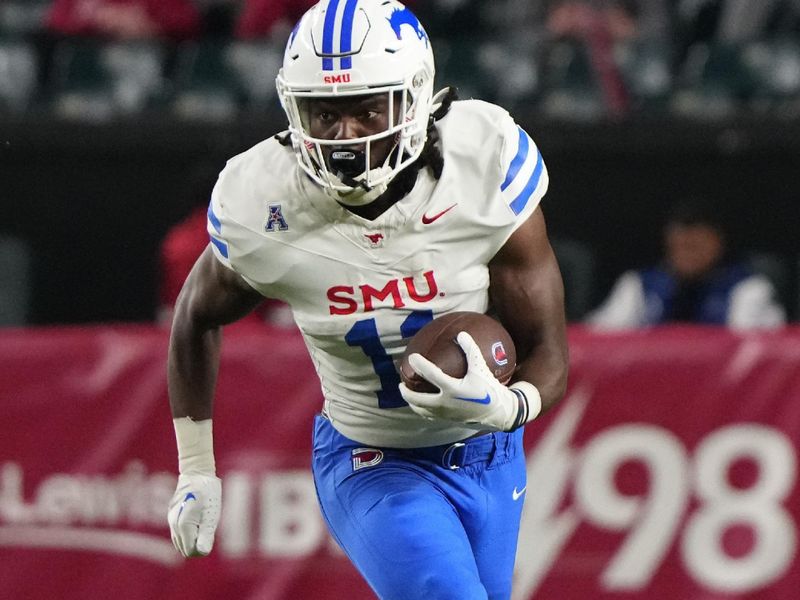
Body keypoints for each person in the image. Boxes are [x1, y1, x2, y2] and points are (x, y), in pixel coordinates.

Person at [166, 1, 569, 598]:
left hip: (490, 454)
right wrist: (195, 468)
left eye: (366, 108)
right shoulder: (264, 203)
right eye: (323, 113)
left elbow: (548, 350)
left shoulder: (482, 162)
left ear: (415, 98)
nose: (345, 134)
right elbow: (195, 317)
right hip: (370, 459)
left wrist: (507, 409)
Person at [587, 199, 787, 329]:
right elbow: (601, 337)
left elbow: (764, 351)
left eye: (694, 247)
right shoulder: (639, 285)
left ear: (716, 244)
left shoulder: (748, 290)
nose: (686, 255)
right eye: (679, 247)